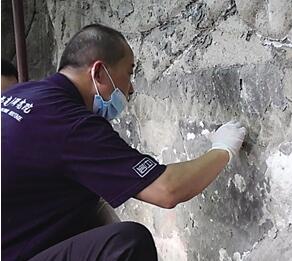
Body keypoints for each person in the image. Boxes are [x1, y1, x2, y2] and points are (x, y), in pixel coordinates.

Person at [1, 24, 246, 261]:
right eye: (129, 73)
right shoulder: (71, 123)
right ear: (98, 72)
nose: (129, 89)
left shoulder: (19, 94)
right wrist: (222, 149)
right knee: (127, 244)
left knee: (88, 209)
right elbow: (167, 190)